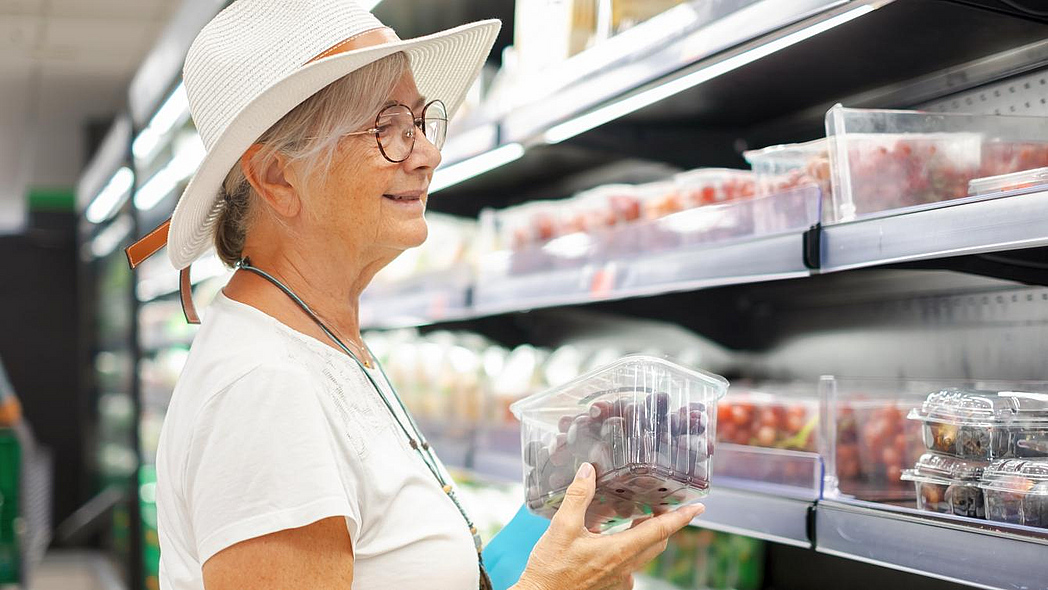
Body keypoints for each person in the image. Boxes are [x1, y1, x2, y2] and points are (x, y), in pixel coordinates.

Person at [125, 1, 705, 589]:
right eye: (388, 129)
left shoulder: (324, 343)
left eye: (420, 122)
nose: (427, 153)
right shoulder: (264, 388)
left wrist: (546, 554)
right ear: (278, 177)